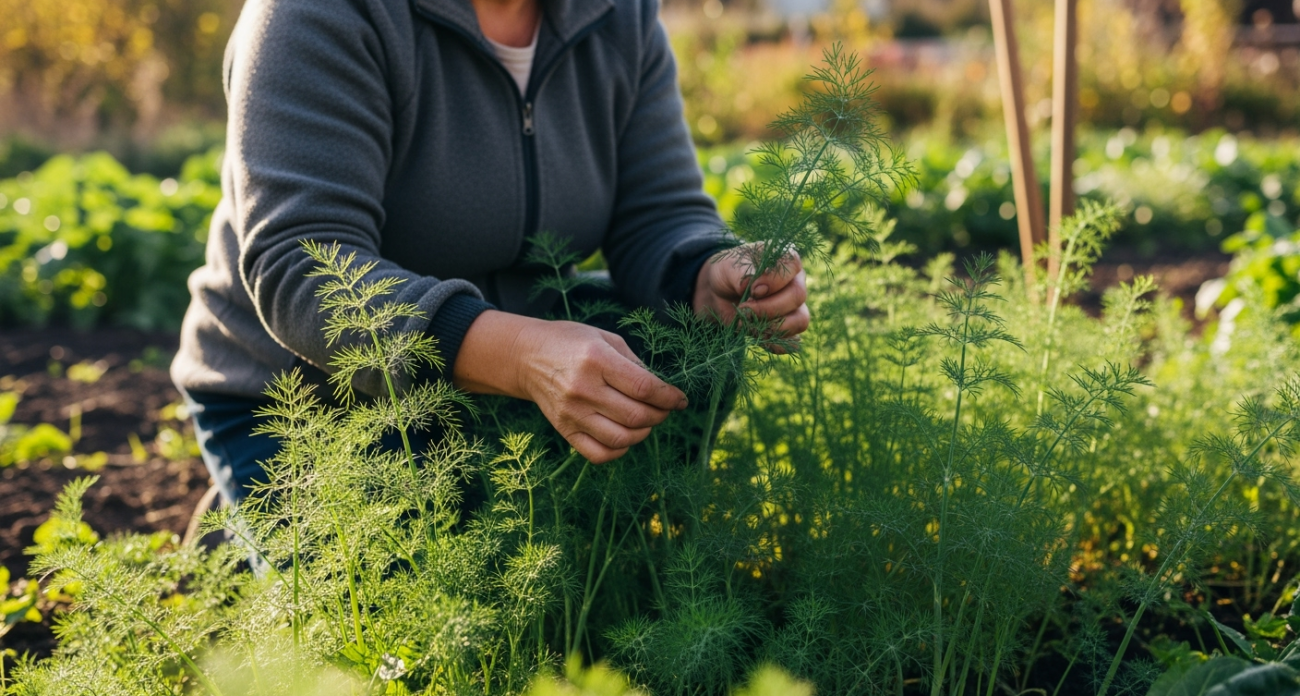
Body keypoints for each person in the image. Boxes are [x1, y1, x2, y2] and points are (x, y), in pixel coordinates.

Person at [170, 0, 810, 506]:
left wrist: (705, 274)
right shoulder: (320, 14)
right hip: (310, 399)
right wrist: (521, 353)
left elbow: (658, 211)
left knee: (691, 357)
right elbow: (305, 264)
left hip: (520, 374)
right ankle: (241, 522)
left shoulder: (619, 14)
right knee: (402, 622)